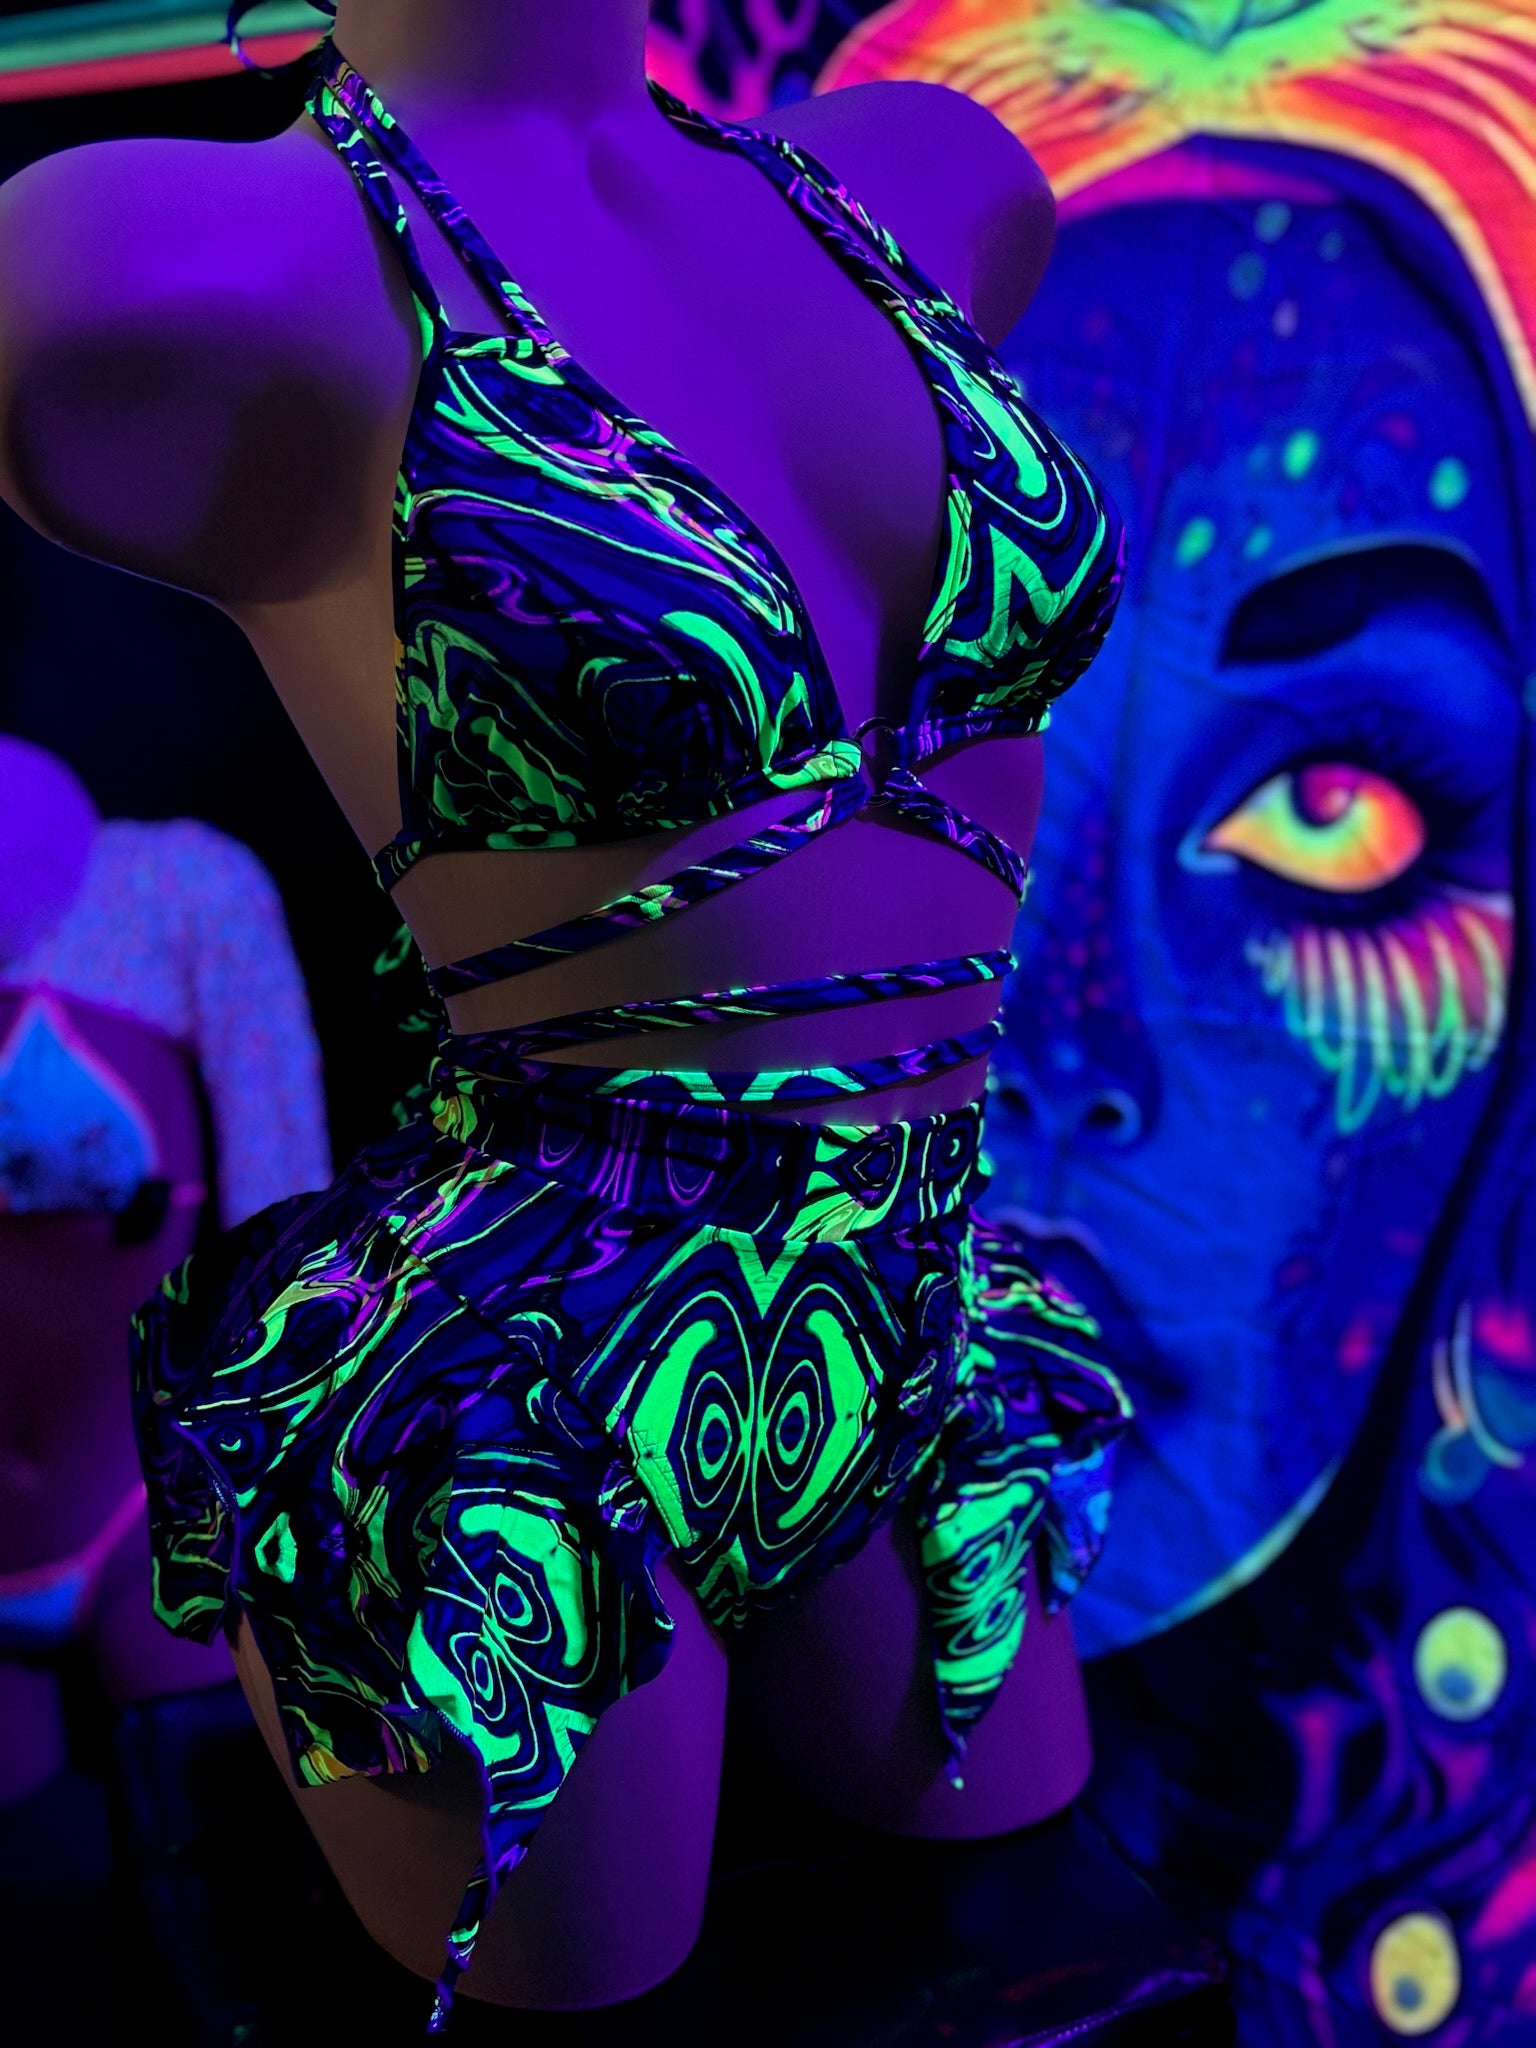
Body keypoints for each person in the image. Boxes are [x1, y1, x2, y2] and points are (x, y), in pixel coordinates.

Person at [0, 0, 1130, 2029]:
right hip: (541, 1404)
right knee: (595, 1992)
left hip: (926, 1312)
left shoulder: (925, 179)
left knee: (1023, 1890)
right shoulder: (155, 266)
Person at [0, 733, 329, 2033]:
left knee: (229, 1896)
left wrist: (289, 1467)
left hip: (152, 1510)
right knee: (37, 1935)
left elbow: (281, 1199)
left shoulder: (173, 894)